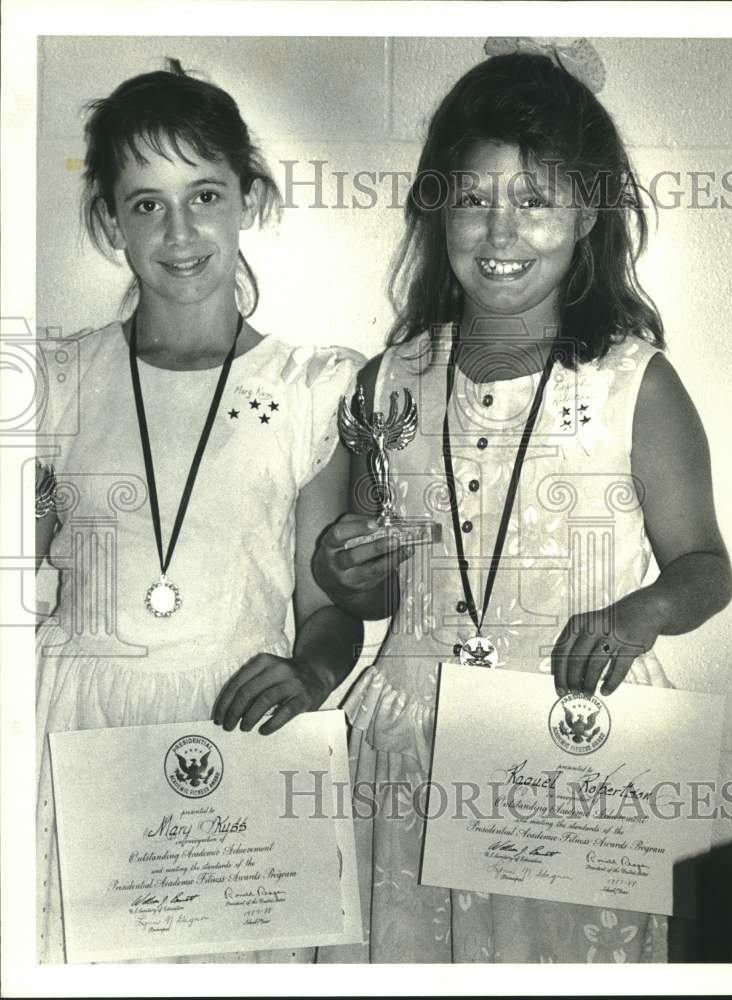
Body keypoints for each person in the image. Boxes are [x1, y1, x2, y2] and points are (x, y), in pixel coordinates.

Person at [313, 40, 732, 963]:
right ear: (438, 212)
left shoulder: (635, 382)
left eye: (533, 200)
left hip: (569, 746)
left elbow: (706, 568)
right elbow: (376, 594)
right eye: (473, 199)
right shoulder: (387, 381)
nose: (499, 235)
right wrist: (346, 572)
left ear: (586, 211)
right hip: (408, 748)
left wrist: (640, 613)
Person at [35, 59, 364, 964]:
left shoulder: (307, 390)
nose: (179, 232)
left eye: (205, 194)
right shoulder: (53, 382)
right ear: (109, 222)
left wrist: (311, 674)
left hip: (235, 721)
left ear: (249, 200)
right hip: (76, 724)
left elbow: (326, 607)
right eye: (145, 204)